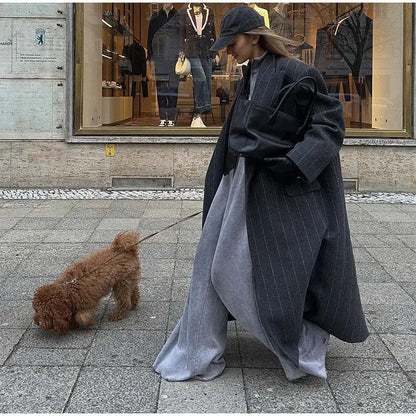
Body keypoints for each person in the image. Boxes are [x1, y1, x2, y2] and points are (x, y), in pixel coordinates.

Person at [153, 5, 369, 382]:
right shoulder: (252, 73)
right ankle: (203, 345)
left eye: (232, 42)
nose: (227, 51)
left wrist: (296, 162)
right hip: (238, 185)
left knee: (267, 270)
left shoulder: (299, 73)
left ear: (254, 36)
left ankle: (298, 342)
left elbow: (330, 125)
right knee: (214, 264)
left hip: (278, 190)